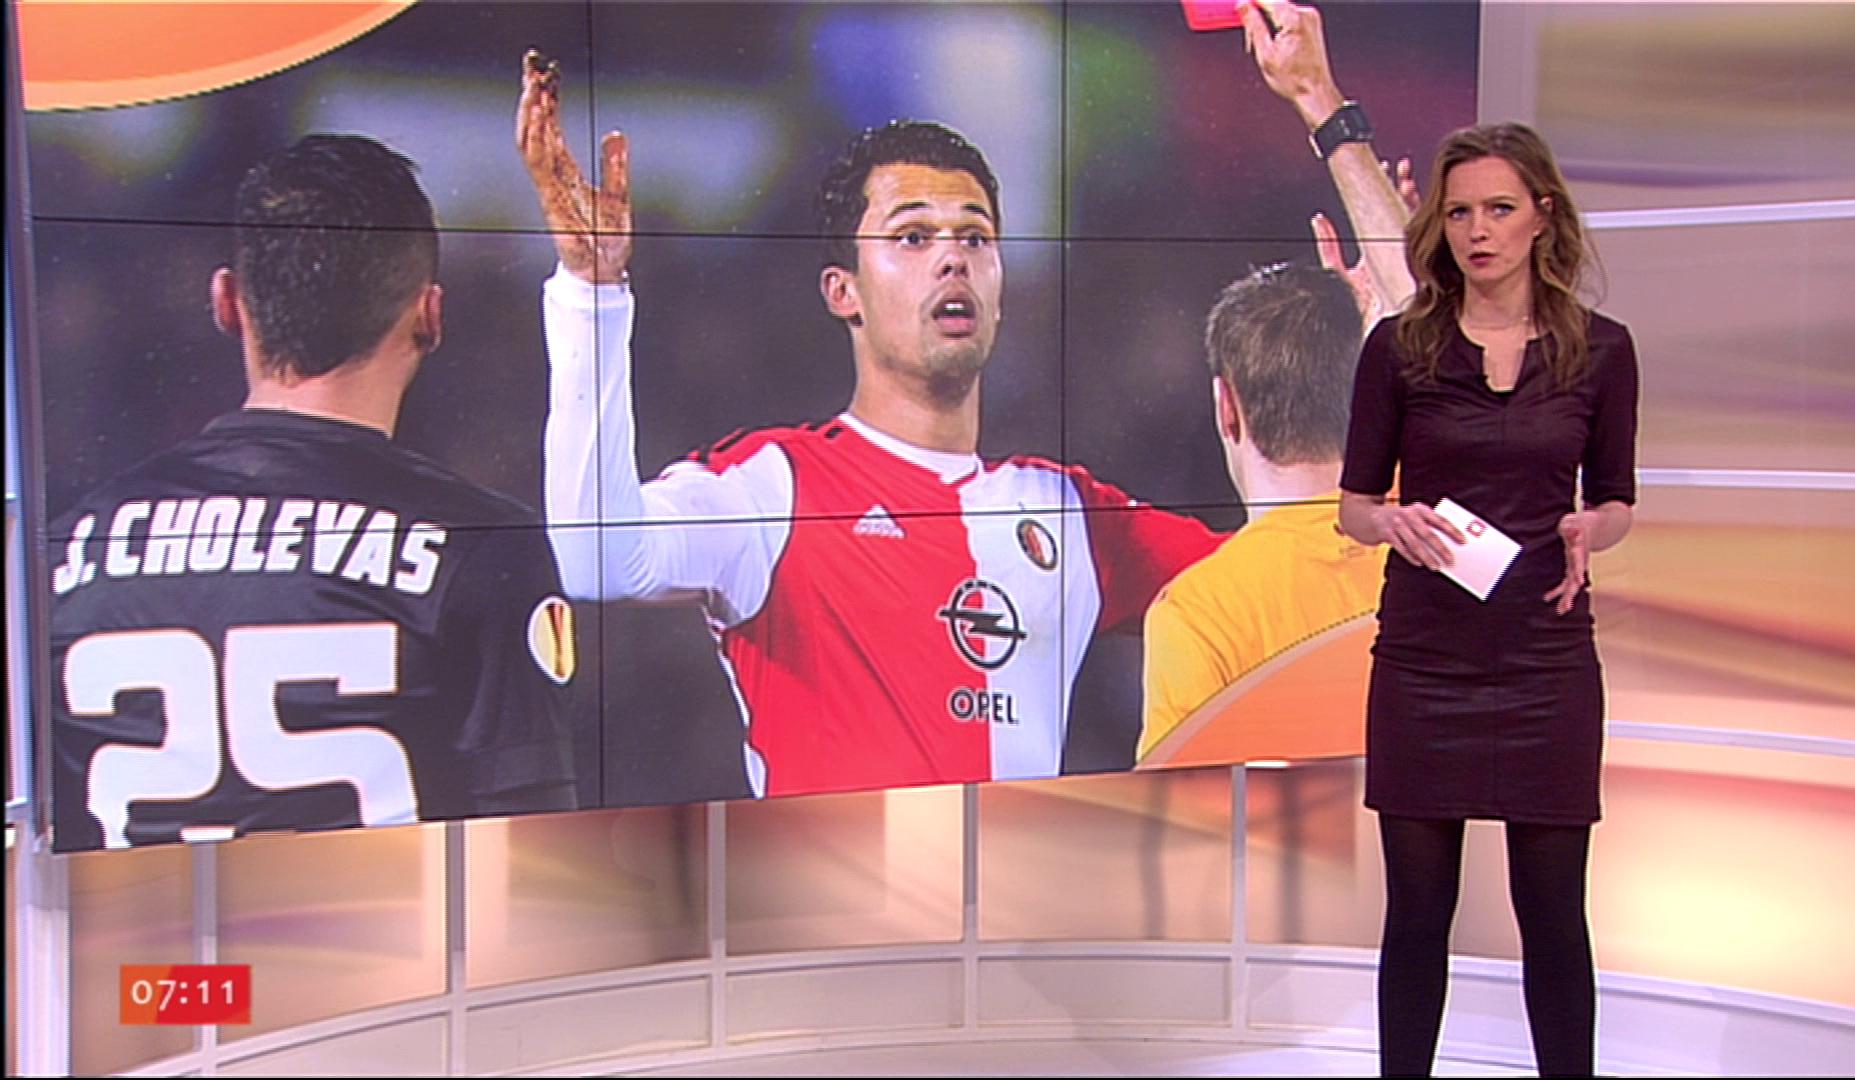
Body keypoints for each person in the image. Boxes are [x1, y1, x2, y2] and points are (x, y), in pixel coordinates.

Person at [516, 53, 1221, 799]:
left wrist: (1307, 110)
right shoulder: (775, 487)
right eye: (913, 237)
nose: (952, 259)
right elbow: (597, 558)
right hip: (832, 880)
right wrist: (591, 293)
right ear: (842, 292)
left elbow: (1276, 592)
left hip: (1023, 880)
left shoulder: (1068, 513)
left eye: (975, 238)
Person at [47, 135, 581, 852]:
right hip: (381, 929)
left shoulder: (66, 551)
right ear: (429, 316)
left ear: (227, 302)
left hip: (148, 932)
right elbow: (536, 860)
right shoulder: (481, 550)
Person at [1337, 122, 1640, 1076]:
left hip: (1547, 662)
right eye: (1460, 211)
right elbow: (1353, 507)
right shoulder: (1399, 349)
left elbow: (1618, 499)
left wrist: (1592, 530)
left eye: (1500, 209)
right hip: (1424, 663)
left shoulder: (1603, 352)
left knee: (1553, 915)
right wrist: (1392, 522)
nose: (1478, 231)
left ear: (1542, 216)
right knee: (1417, 914)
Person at [1138, 0, 1408, 766]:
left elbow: (1177, 823)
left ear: (1226, 408)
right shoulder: (1451, 547)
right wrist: (1318, 96)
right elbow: (1441, 337)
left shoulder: (1202, 615)